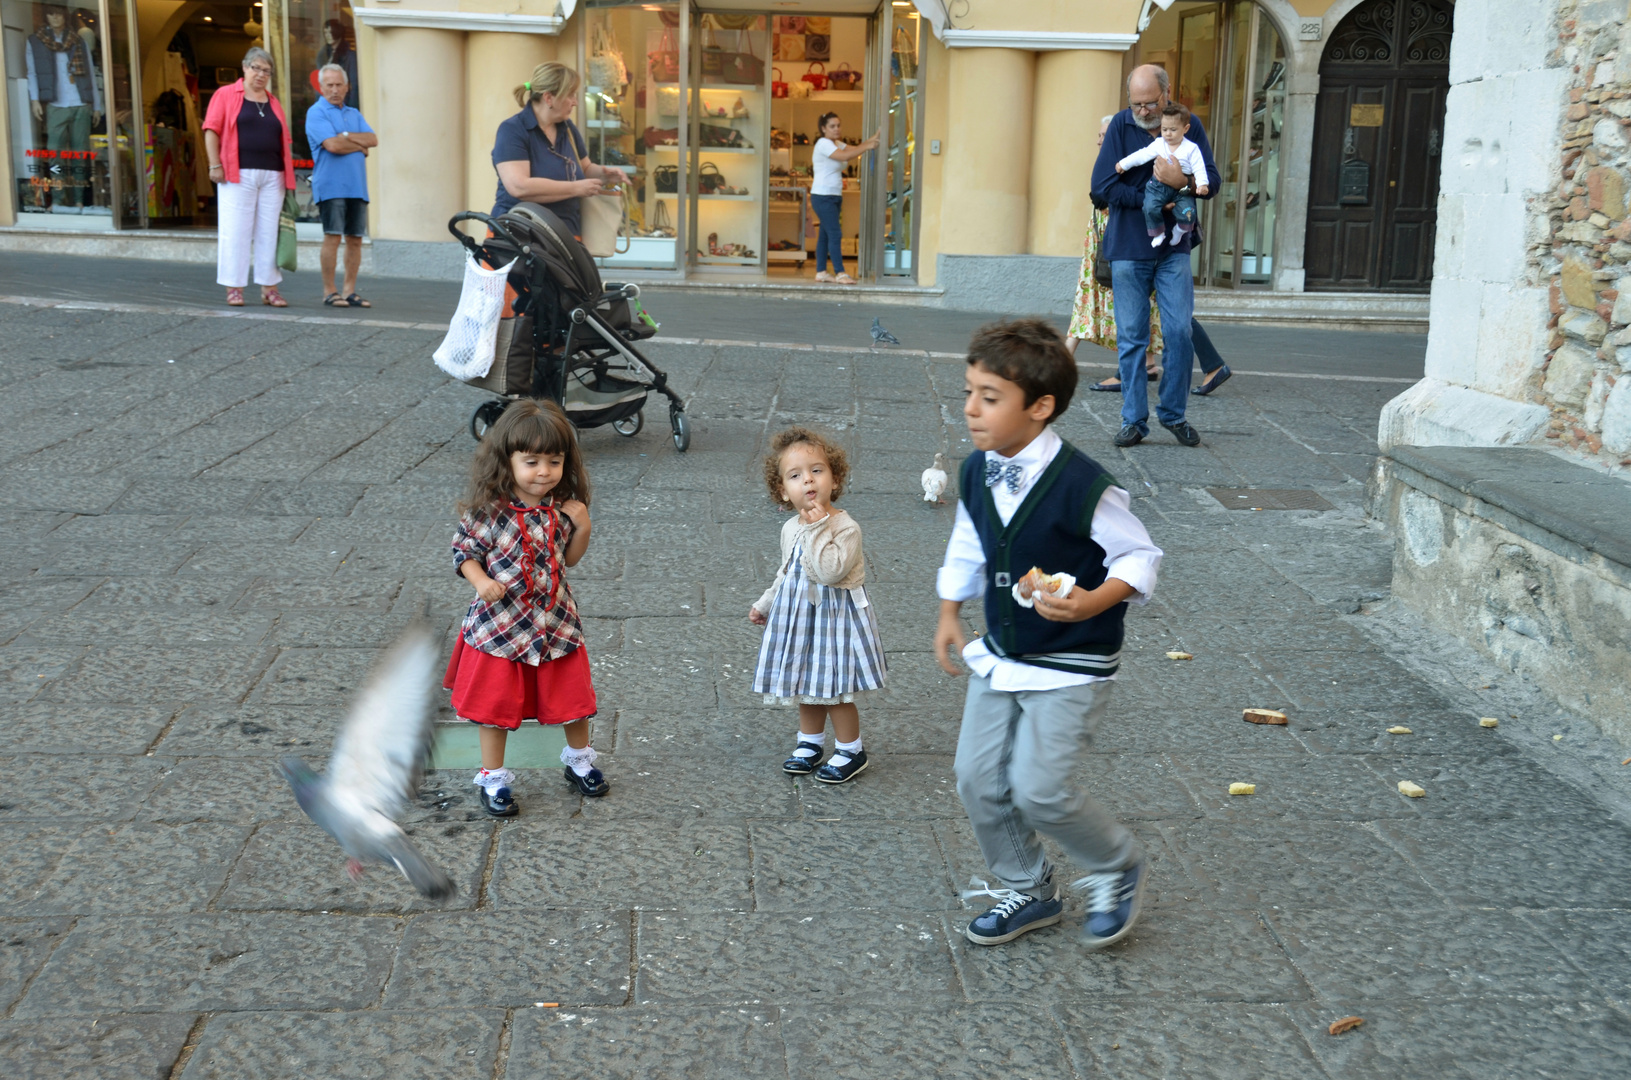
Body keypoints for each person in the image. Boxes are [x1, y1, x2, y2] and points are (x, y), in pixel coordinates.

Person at [934, 319, 1163, 950]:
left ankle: (1116, 862)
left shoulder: (1081, 483)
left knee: (1040, 788)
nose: (971, 409)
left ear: (1039, 408)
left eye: (989, 397)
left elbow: (1140, 557)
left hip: (1072, 662)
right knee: (977, 778)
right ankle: (1029, 889)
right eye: (969, 391)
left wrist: (1095, 598)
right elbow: (969, 540)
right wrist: (951, 609)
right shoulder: (978, 471)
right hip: (1004, 653)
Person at [444, 400, 605, 815]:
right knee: (494, 709)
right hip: (501, 628)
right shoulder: (490, 510)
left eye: (554, 461)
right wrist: (482, 581)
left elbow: (569, 559)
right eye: (531, 461)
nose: (543, 472)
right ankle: (493, 778)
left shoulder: (563, 506)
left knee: (574, 702)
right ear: (507, 460)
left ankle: (580, 760)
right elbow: (464, 551)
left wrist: (583, 524)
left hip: (556, 625)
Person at [1091, 65, 1220, 448]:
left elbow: (1210, 181)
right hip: (1129, 248)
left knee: (1179, 332)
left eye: (1150, 103)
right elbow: (1101, 187)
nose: (1143, 111)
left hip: (1174, 249)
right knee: (1132, 338)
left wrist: (1182, 184)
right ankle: (1133, 420)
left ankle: (1173, 414)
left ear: (1166, 96)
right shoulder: (1119, 126)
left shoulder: (1188, 124)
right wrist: (1154, 200)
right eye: (1136, 103)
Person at [750, 426, 886, 784]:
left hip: (836, 620)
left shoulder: (845, 527)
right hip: (800, 617)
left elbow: (829, 572)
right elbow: (786, 571)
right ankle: (809, 743)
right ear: (783, 490)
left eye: (817, 470)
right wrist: (766, 603)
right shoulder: (790, 528)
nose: (807, 480)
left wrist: (817, 528)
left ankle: (851, 749)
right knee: (805, 683)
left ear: (835, 478)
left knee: (835, 689)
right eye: (795, 476)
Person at [491, 62, 630, 239]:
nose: (575, 102)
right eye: (571, 95)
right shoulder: (512, 130)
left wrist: (604, 174)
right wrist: (575, 188)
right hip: (520, 238)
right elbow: (519, 186)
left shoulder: (568, 129)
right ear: (549, 98)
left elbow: (585, 169)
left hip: (567, 237)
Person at [204, 46, 294, 308]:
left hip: (272, 174)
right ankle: (234, 287)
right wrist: (214, 164)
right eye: (256, 68)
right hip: (237, 173)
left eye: (267, 70)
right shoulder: (225, 94)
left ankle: (269, 287)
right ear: (244, 68)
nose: (261, 74)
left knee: (269, 233)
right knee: (236, 230)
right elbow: (211, 130)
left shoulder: (273, 101)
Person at [305, 63, 377, 308]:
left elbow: (373, 139)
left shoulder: (354, 114)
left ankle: (349, 291)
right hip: (331, 185)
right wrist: (357, 144)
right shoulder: (316, 113)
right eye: (329, 85)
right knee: (333, 237)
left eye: (339, 85)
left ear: (347, 87)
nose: (334, 89)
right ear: (321, 87)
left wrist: (344, 136)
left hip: (356, 186)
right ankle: (329, 290)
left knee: (355, 239)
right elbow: (332, 146)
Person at [25, 4, 101, 213]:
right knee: (54, 154)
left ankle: (78, 200)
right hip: (56, 104)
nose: (55, 18)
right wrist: (35, 100)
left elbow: (90, 75)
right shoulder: (36, 41)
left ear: (64, 16)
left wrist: (96, 105)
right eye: (50, 13)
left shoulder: (78, 40)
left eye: (58, 13)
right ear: (46, 16)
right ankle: (58, 199)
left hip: (80, 103)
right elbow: (32, 72)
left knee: (79, 153)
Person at [1117, 103, 1209, 248]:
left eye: (1173, 130)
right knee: (1149, 206)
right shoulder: (1159, 144)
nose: (1168, 134)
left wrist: (1202, 184)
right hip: (1158, 186)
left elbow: (1199, 167)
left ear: (1185, 129)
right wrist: (1124, 164)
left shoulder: (1191, 148)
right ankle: (1158, 232)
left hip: (1182, 188)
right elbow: (1142, 155)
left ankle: (1179, 230)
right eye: (1164, 129)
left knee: (1188, 212)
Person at [808, 113, 880, 284]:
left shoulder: (836, 143)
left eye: (838, 125)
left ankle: (821, 272)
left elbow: (854, 148)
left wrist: (874, 138)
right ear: (823, 129)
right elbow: (845, 156)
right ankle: (840, 273)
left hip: (833, 195)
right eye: (832, 126)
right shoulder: (823, 143)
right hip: (823, 195)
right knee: (835, 233)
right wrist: (868, 146)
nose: (837, 129)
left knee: (825, 235)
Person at [315, 19, 359, 108]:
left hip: (344, 105)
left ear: (338, 32)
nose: (328, 35)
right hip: (325, 105)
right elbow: (319, 83)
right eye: (325, 32)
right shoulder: (322, 55)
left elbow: (354, 85)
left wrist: (351, 108)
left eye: (331, 32)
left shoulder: (350, 56)